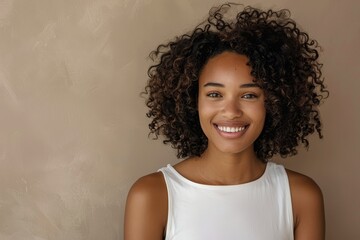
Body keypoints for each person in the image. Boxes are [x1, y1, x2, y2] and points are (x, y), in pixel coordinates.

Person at [124, 3, 328, 240]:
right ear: (193, 101)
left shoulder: (301, 196)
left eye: (249, 95)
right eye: (214, 94)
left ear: (273, 102)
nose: (231, 111)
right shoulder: (152, 196)